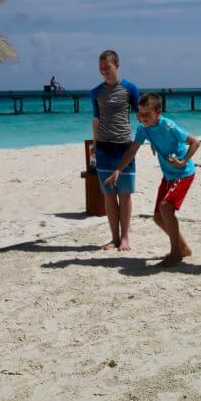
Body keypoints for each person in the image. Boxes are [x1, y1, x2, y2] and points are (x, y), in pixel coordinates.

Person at [106, 93, 199, 267]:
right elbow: (132, 150)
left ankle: (175, 254)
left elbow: (195, 142)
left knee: (165, 207)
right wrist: (118, 170)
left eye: (146, 114)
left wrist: (183, 161)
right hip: (169, 176)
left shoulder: (169, 126)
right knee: (158, 217)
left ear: (158, 112)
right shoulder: (144, 129)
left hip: (183, 173)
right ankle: (183, 248)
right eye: (139, 114)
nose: (142, 118)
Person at [91, 50, 140, 251]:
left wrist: (151, 138)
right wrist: (94, 146)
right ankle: (114, 237)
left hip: (124, 147)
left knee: (125, 193)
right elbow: (96, 121)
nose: (104, 71)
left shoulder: (130, 88)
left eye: (107, 67)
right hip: (103, 148)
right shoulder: (95, 92)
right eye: (101, 68)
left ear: (117, 65)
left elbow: (142, 116)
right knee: (109, 195)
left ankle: (126, 237)